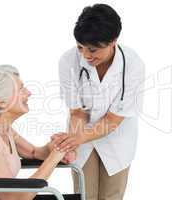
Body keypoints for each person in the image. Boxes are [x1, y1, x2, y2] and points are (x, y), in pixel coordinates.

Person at [54, 4, 145, 200]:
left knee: (111, 195)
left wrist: (75, 139)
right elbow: (77, 112)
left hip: (117, 138)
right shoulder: (68, 61)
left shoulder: (133, 64)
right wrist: (75, 140)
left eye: (93, 50)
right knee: (85, 195)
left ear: (113, 41)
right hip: (81, 135)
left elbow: (113, 120)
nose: (86, 55)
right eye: (80, 47)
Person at [0, 65, 76, 200]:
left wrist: (54, 147)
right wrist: (55, 157)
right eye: (21, 89)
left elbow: (33, 152)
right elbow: (15, 198)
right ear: (1, 102)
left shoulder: (2, 128)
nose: (29, 93)